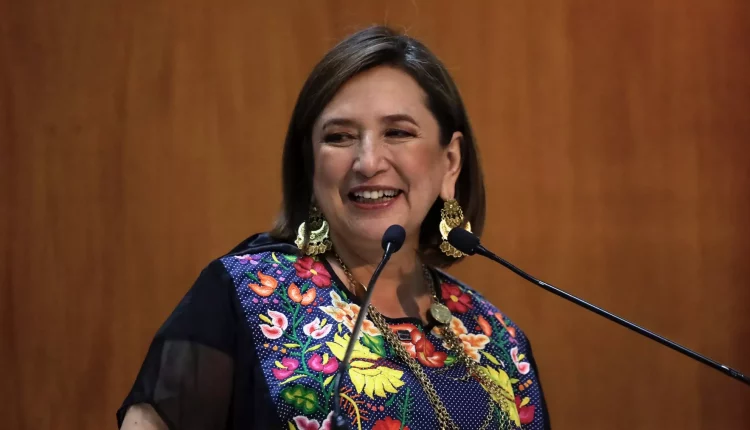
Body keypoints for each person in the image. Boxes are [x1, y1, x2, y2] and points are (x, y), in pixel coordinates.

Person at [118, 25, 550, 430]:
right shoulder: (243, 295)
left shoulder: (499, 339)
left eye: (398, 132)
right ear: (311, 165)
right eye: (339, 137)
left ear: (450, 162)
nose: (368, 162)